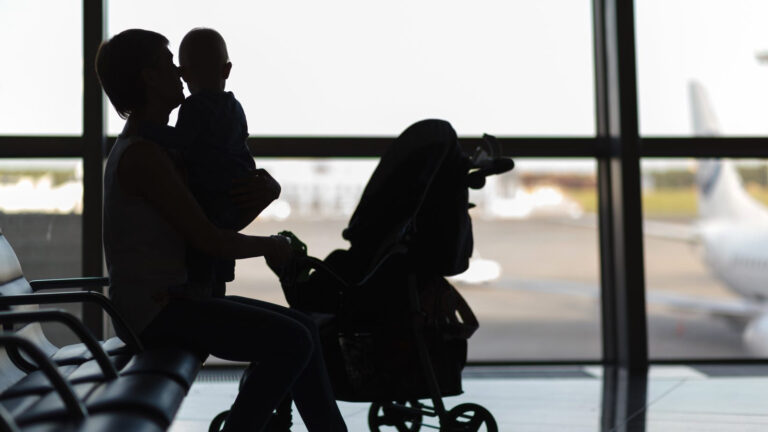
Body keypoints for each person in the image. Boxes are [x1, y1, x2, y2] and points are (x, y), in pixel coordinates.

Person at [95, 28, 347, 432]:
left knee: (303, 330)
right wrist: (270, 245)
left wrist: (262, 196)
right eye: (167, 63)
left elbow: (210, 228)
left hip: (169, 303)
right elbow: (208, 239)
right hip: (157, 312)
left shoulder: (164, 151)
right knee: (295, 339)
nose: (179, 70)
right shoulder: (145, 157)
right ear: (149, 78)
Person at [140, 28, 254, 296]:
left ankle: (199, 289)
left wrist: (146, 130)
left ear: (186, 74)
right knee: (222, 251)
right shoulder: (235, 107)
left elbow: (180, 140)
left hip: (207, 193)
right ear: (227, 70)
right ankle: (218, 284)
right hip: (234, 190)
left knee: (201, 249)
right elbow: (242, 142)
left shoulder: (194, 107)